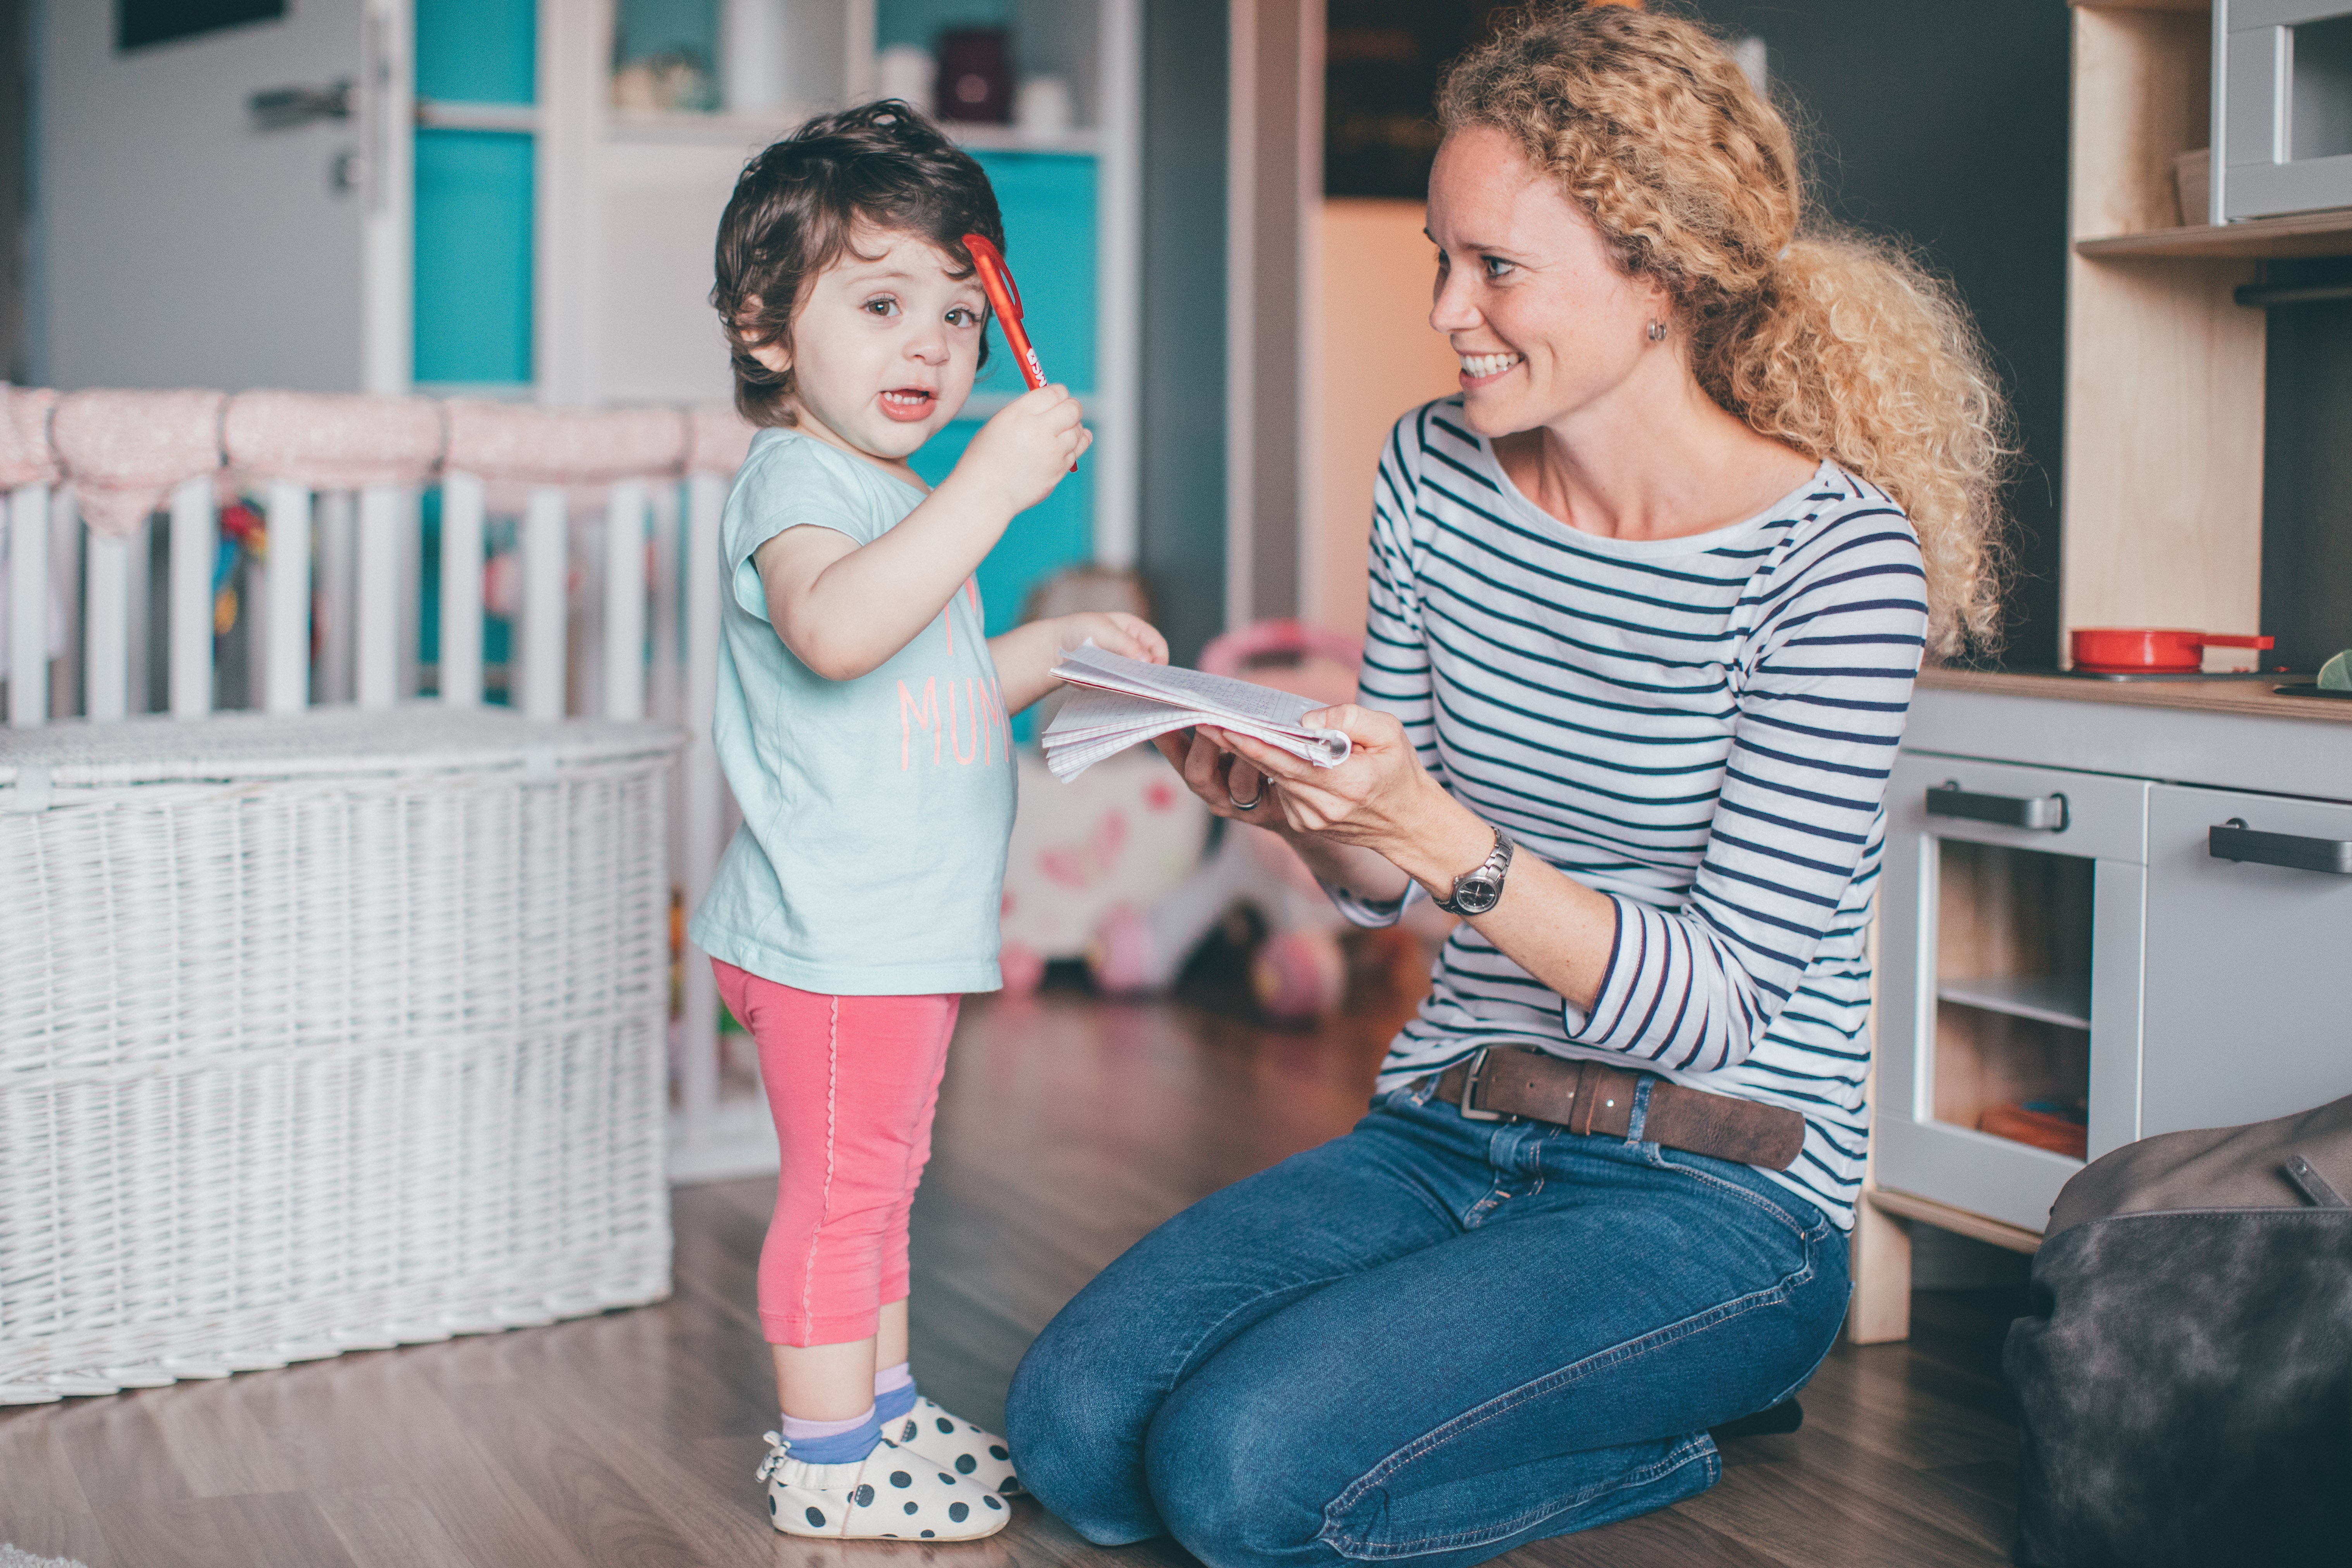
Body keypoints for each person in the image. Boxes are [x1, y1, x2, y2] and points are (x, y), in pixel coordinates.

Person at [1003, 7, 2009, 1565]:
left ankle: (1657, 1423)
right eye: (1439, 258)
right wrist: (1308, 812)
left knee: (1240, 1478)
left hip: (1719, 1194)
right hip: (1452, 1122)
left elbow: (1718, 1007)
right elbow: (1384, 887)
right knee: (1073, 1436)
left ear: (1656, 274)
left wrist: (1439, 835)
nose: (1448, 310)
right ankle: (1535, 1382)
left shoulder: (1836, 565)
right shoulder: (1437, 471)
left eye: (1497, 268)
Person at [690, 101, 1167, 1541]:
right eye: (884, 302)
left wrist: (1063, 650)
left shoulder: (891, 495)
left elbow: (931, 674)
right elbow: (838, 633)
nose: (932, 347)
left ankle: (882, 1412)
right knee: (844, 1205)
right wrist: (991, 487)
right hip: (838, 938)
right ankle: (829, 1460)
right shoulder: (799, 487)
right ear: (767, 329)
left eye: (962, 316)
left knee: (881, 1194)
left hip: (894, 936)